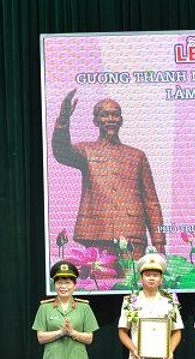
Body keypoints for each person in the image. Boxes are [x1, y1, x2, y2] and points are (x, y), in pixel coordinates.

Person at [52, 89, 165, 260]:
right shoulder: (86, 151)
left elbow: (151, 201)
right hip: (97, 232)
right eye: (105, 115)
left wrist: (159, 242)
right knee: (99, 282)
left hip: (131, 232)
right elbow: (62, 152)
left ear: (121, 120)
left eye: (115, 115)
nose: (111, 120)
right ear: (96, 121)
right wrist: (63, 120)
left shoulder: (137, 156)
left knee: (133, 280)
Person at [118, 252, 183, 359]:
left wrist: (170, 350)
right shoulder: (131, 301)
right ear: (141, 278)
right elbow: (122, 331)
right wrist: (134, 350)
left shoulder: (170, 302)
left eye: (155, 275)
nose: (151, 278)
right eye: (147, 275)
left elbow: (177, 331)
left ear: (161, 279)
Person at [32, 260, 99, 359]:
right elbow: (40, 337)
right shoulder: (45, 308)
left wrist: (73, 333)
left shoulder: (84, 308)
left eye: (68, 282)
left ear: (74, 285)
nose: (64, 286)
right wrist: (60, 332)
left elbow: (89, 338)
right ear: (55, 285)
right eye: (60, 282)